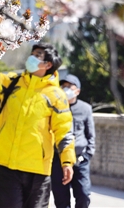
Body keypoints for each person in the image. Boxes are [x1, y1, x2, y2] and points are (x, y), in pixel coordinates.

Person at [0, 43, 76, 208]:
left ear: (48, 64)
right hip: (7, 165)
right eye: (32, 53)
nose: (31, 58)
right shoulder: (12, 82)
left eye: (38, 55)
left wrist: (67, 162)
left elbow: (64, 131)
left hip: (38, 170)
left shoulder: (57, 96)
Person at [51, 74, 96, 208]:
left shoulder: (85, 108)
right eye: (63, 86)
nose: (65, 89)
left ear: (77, 91)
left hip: (79, 159)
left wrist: (87, 155)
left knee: (83, 195)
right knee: (61, 199)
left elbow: (90, 135)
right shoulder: (55, 107)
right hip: (58, 159)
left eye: (69, 86)